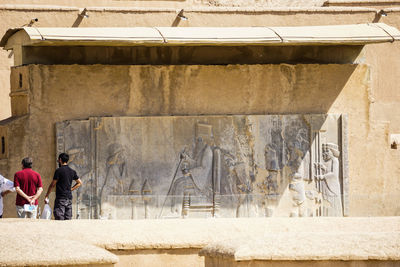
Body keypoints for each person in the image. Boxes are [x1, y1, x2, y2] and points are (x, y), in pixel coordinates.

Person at [44, 153, 82, 220]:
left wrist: (47, 195)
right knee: (68, 219)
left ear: (60, 160)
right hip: (69, 198)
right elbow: (79, 182)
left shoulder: (58, 171)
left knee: (59, 219)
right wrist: (71, 189)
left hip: (60, 199)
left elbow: (52, 185)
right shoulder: (72, 171)